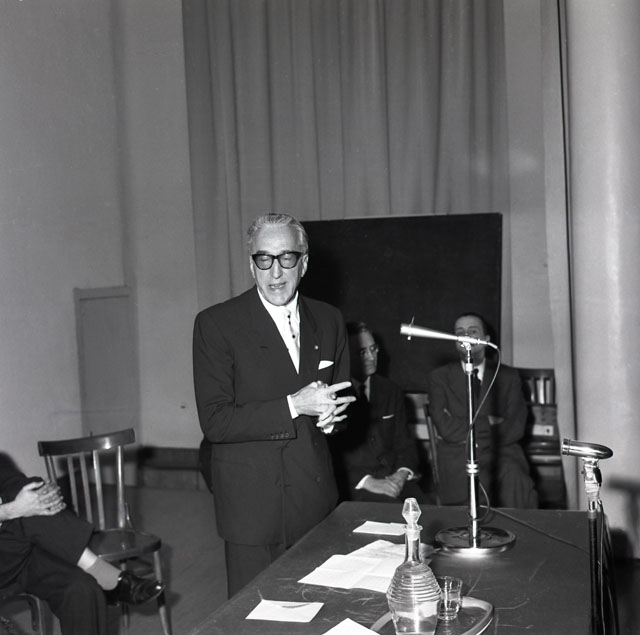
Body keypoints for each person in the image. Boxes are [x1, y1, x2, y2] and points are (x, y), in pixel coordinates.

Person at [193, 213, 355, 597]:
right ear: (252, 265)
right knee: (255, 616)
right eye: (264, 259)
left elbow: (344, 404)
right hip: (253, 511)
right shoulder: (216, 324)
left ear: (304, 262)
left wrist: (334, 420)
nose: (276, 272)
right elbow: (215, 422)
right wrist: (294, 405)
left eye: (287, 258)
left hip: (315, 502)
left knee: (321, 610)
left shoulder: (329, 319)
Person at [0, 454, 164, 635]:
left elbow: (13, 484)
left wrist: (42, 496)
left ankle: (102, 575)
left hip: (15, 551)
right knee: (19, 506)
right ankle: (107, 575)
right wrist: (10, 510)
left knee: (83, 588)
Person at [426, 312, 538, 508]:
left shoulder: (508, 376)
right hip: (458, 458)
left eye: (472, 331)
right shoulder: (439, 377)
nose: (466, 337)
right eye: (460, 332)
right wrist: (489, 422)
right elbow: (445, 428)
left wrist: (471, 431)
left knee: (514, 482)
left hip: (502, 455)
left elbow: (516, 426)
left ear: (486, 339)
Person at [330, 322, 423, 503]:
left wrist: (402, 473)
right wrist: (367, 482)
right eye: (362, 352)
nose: (371, 357)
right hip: (354, 486)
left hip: (394, 479)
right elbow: (332, 456)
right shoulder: (334, 394)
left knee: (428, 512)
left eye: (373, 349)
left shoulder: (391, 390)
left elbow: (405, 443)